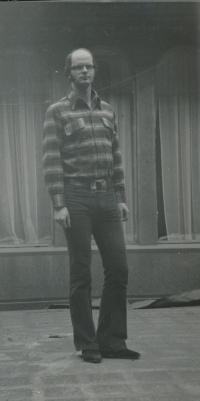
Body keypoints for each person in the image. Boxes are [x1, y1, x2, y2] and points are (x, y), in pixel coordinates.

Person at [43, 48, 140, 363]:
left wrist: (121, 197)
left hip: (107, 196)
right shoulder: (56, 112)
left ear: (94, 71)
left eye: (89, 67)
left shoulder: (108, 110)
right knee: (81, 271)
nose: (84, 71)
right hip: (76, 197)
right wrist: (59, 204)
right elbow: (52, 160)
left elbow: (116, 156)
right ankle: (87, 343)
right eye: (78, 67)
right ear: (69, 72)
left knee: (119, 269)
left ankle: (111, 340)